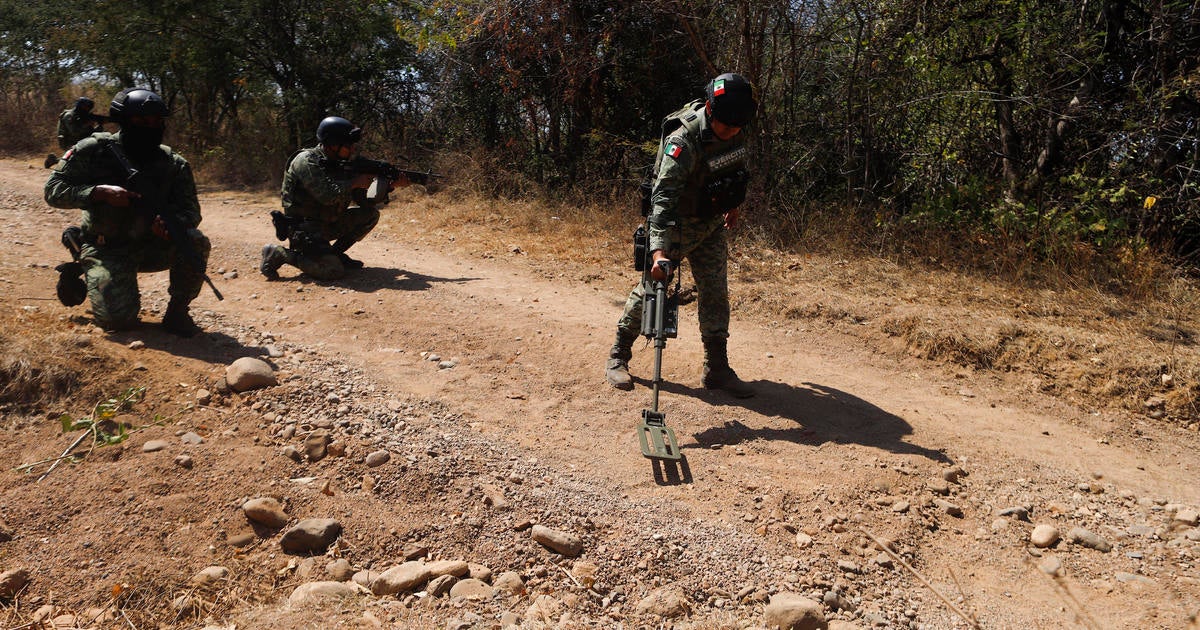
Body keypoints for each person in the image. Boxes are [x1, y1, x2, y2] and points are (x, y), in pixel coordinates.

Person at [605, 73, 759, 398]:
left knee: (716, 292)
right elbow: (662, 199)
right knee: (652, 288)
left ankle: (717, 369)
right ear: (710, 109)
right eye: (726, 127)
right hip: (676, 224)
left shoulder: (735, 124)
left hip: (711, 223)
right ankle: (619, 355)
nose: (732, 132)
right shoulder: (683, 141)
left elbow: (732, 168)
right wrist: (658, 251)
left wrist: (732, 205)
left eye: (737, 128)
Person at [44, 87, 211, 337]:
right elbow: (53, 191)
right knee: (118, 322)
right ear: (124, 121)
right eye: (142, 121)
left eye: (157, 121)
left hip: (149, 245)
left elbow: (191, 211)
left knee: (194, 240)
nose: (151, 126)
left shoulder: (173, 163)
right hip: (105, 247)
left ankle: (178, 311)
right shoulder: (93, 150)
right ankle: (80, 253)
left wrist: (170, 222)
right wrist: (97, 192)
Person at [260, 116, 407, 280]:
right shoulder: (306, 161)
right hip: (304, 229)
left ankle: (334, 254)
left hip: (327, 223)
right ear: (333, 144)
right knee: (332, 271)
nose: (352, 150)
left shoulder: (341, 163)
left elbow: (364, 202)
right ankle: (279, 254)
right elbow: (327, 196)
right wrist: (355, 182)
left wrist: (388, 187)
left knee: (370, 215)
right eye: (348, 145)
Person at [45, 97, 105, 168]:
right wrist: (88, 124)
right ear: (80, 106)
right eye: (86, 107)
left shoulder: (82, 116)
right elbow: (75, 132)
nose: (87, 109)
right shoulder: (69, 116)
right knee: (78, 161)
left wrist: (99, 127)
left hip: (80, 140)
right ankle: (54, 160)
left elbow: (89, 132)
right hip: (68, 142)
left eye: (88, 108)